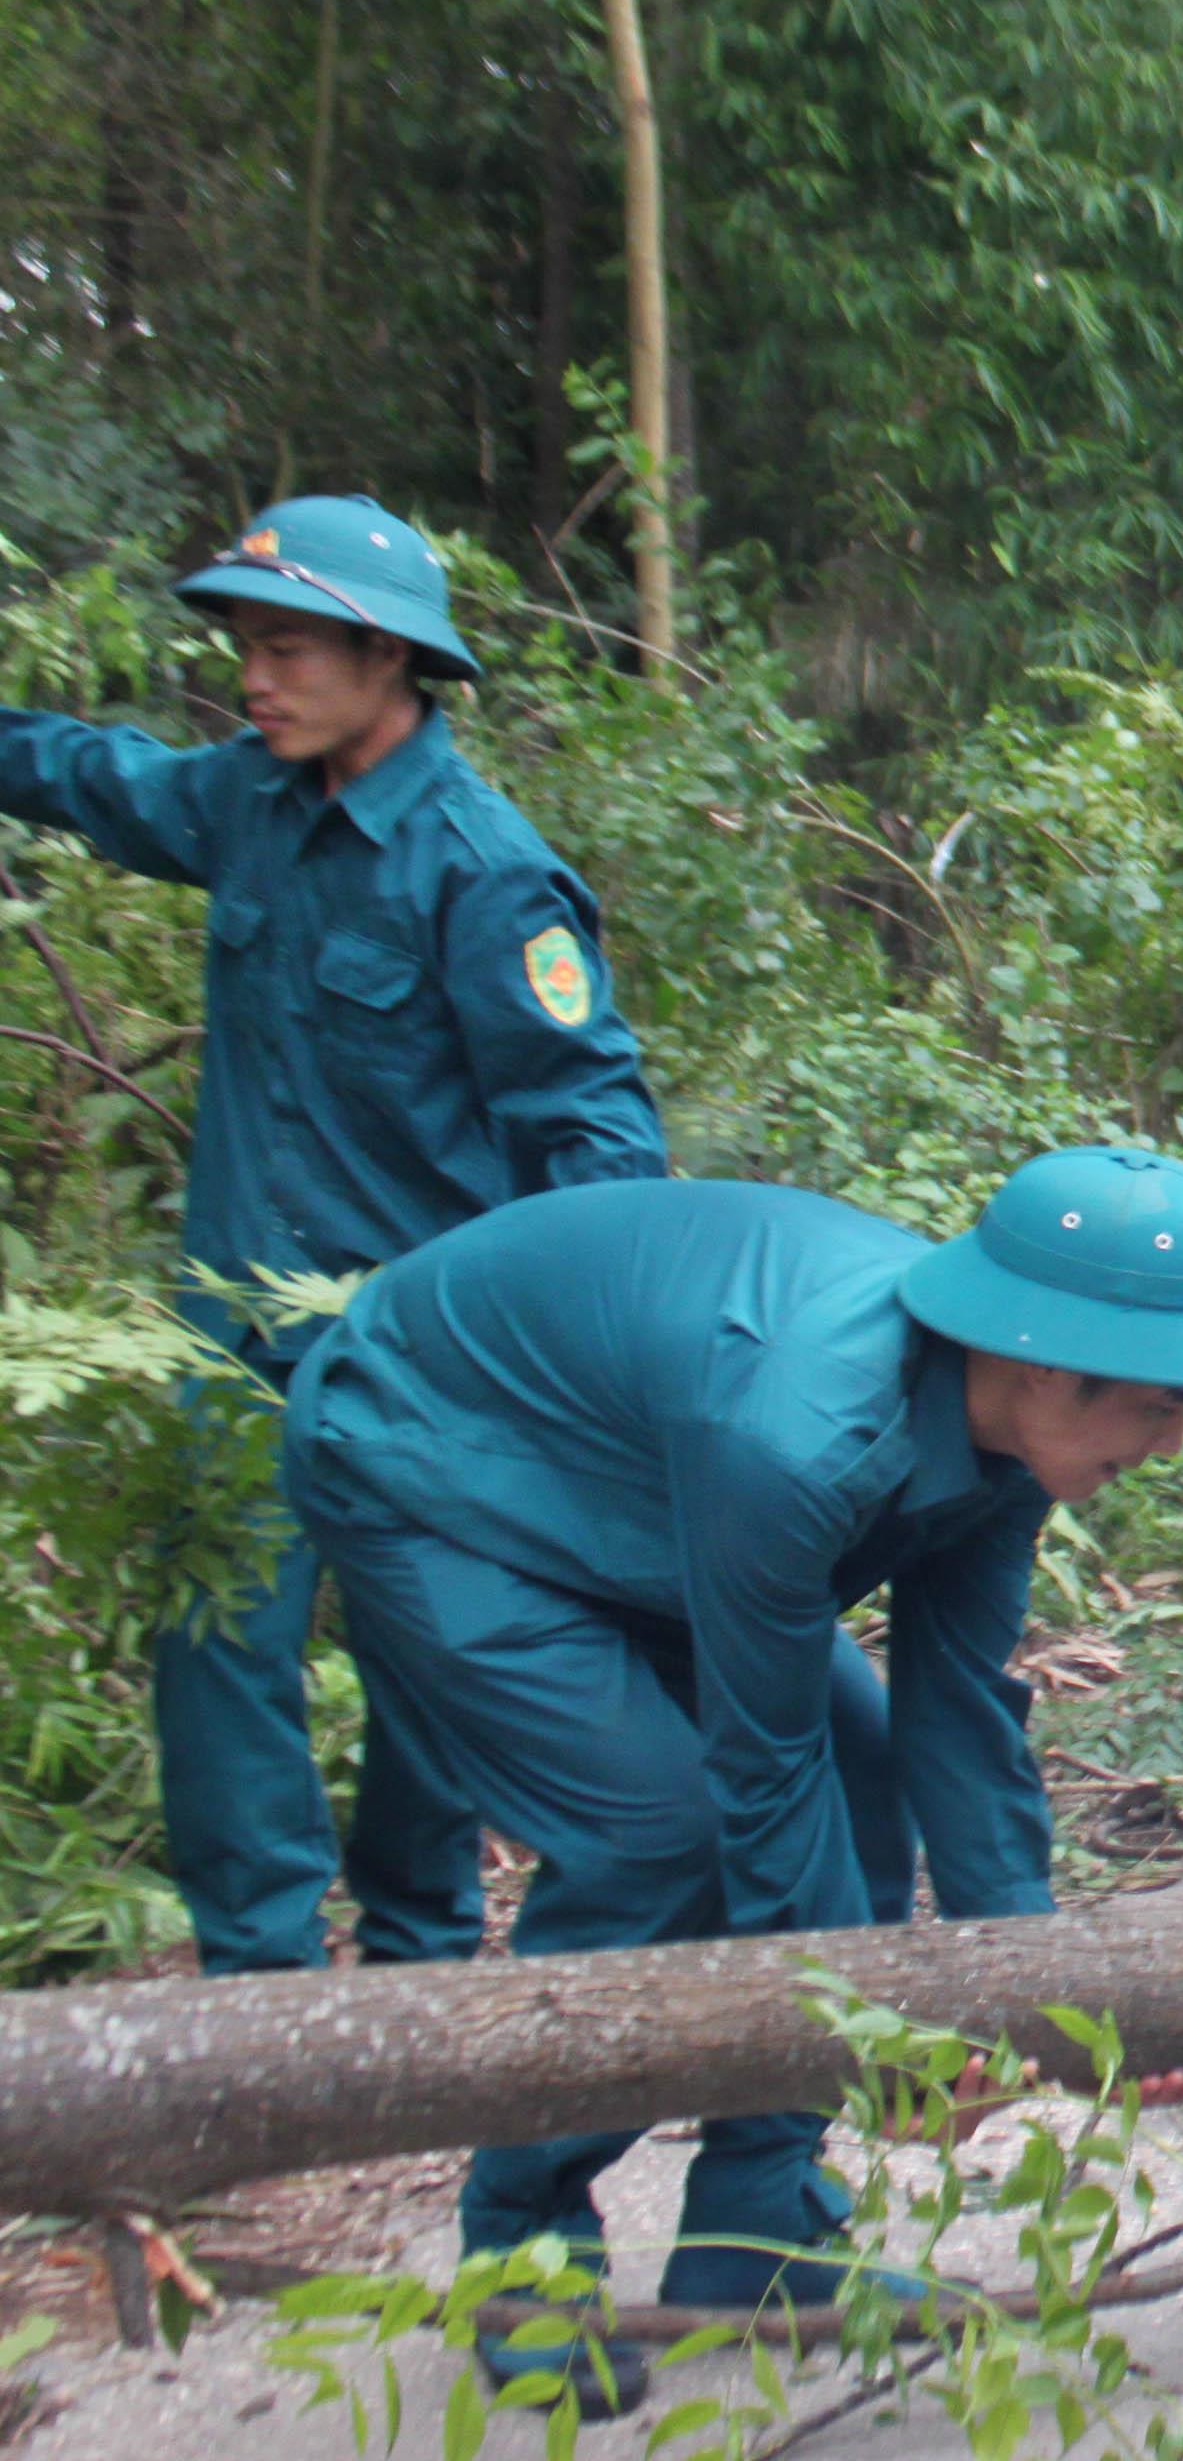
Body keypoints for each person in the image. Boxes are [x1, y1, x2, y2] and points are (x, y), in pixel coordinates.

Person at [287, 1149, 1183, 2393]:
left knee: (862, 1777)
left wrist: (1045, 2007)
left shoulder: (1005, 1437)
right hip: (438, 1464)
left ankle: (756, 2236)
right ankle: (523, 2249)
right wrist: (873, 2045)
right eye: (1159, 1404)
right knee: (659, 1836)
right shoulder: (799, 1434)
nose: (1175, 1443)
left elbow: (958, 1718)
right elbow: (761, 1776)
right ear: (1042, 1361)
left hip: (649, 1489)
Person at [0, 496, 669, 1980]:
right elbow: (93, 776)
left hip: (417, 1360)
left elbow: (597, 1139)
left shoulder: (483, 873)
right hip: (236, 1338)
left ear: (388, 656)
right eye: (244, 647)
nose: (254, 679)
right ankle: (260, 1979)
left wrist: (576, 1370)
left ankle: (421, 1962)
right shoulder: (247, 801)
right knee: (215, 1647)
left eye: (288, 650)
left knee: (424, 1660)